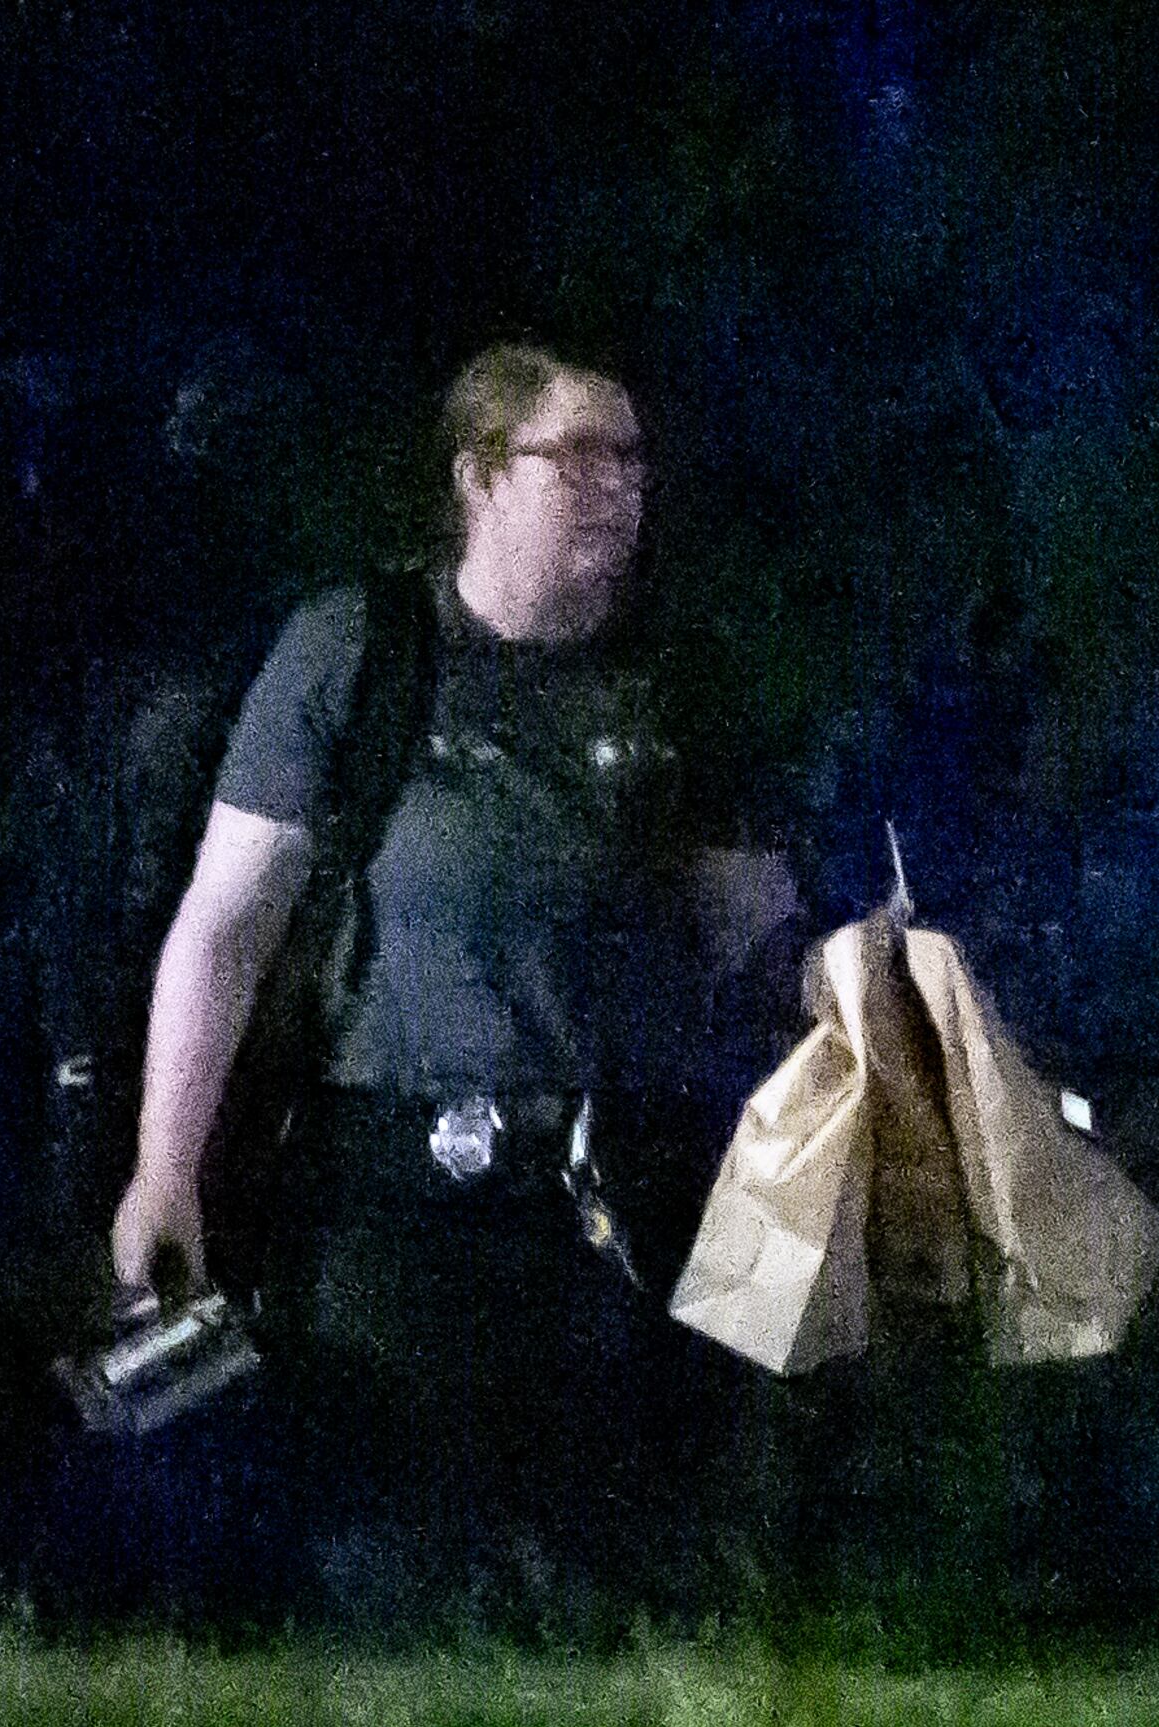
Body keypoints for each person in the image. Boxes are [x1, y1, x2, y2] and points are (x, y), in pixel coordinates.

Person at [108, 341, 797, 1632]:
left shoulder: (676, 684)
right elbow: (225, 927)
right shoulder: (361, 654)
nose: (618, 489)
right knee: (395, 1558)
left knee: (617, 1576)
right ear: (480, 476)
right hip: (395, 1186)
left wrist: (862, 972)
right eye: (578, 456)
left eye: (634, 461)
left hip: (622, 1193)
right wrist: (167, 1167)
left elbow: (749, 935)